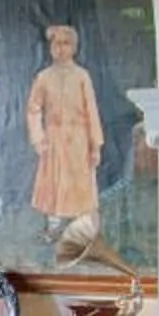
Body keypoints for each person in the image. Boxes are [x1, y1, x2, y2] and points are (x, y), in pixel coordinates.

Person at [25, 22, 106, 256]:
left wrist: (95, 145)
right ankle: (53, 226)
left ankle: (82, 232)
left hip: (79, 138)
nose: (60, 49)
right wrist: (39, 139)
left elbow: (91, 110)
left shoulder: (82, 76)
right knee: (53, 182)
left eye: (65, 43)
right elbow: (33, 108)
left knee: (80, 183)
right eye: (56, 44)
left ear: (74, 47)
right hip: (54, 139)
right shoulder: (44, 77)